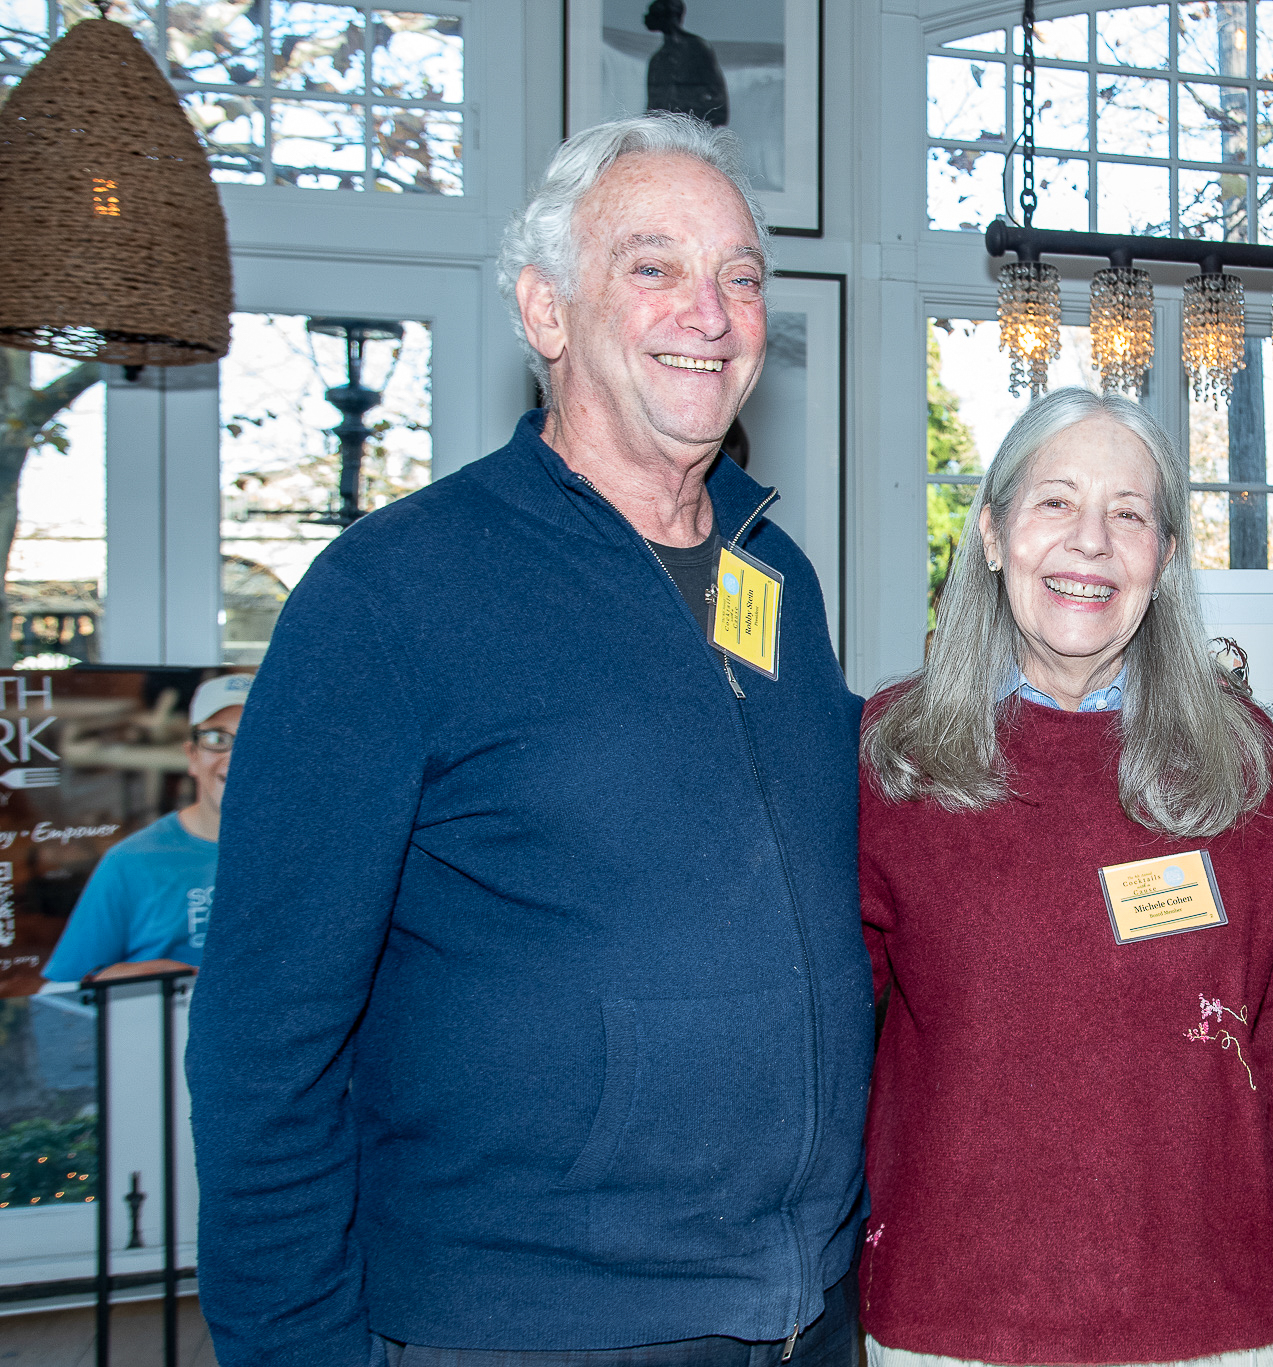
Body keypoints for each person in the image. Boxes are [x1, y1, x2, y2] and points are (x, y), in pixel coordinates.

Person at [185, 111, 870, 1366]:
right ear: (546, 313)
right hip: (526, 1326)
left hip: (801, 1314)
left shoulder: (777, 576)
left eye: (739, 274)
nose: (708, 311)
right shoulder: (388, 596)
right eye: (652, 265)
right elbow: (262, 1045)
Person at [859, 388, 1273, 1367]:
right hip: (960, 1324)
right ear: (994, 532)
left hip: (1230, 1321)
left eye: (1128, 513)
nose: (1089, 541)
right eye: (1054, 502)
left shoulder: (1237, 756)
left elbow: (1269, 1037)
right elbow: (841, 1050)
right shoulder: (896, 759)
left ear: (1163, 557)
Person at [41, 672, 250, 985]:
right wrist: (117, 979)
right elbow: (61, 996)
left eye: (255, 739)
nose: (235, 759)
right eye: (217, 739)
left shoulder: (310, 856)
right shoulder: (131, 862)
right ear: (192, 756)